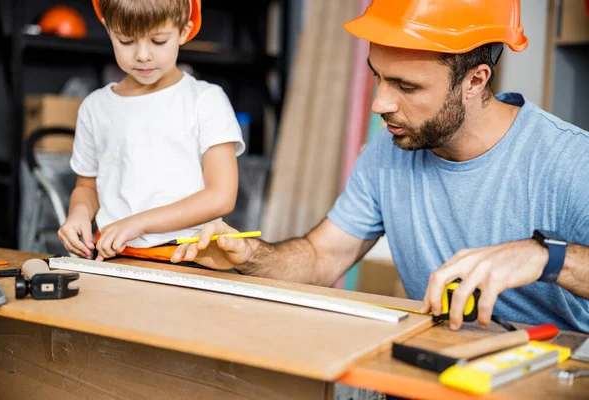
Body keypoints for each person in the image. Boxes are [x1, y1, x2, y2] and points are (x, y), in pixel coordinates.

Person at [171, 0, 589, 333]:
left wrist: (548, 258)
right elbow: (321, 256)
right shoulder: (390, 152)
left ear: (475, 81)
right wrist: (249, 254)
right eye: (378, 77)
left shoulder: (568, 160)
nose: (379, 105)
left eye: (406, 86)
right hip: (440, 368)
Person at [58, 0, 244, 262]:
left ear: (184, 31)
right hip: (114, 257)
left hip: (189, 258)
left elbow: (221, 197)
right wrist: (78, 213)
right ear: (108, 28)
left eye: (158, 41)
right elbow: (87, 187)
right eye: (126, 41)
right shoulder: (95, 107)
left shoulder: (205, 101)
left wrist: (140, 223)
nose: (143, 55)